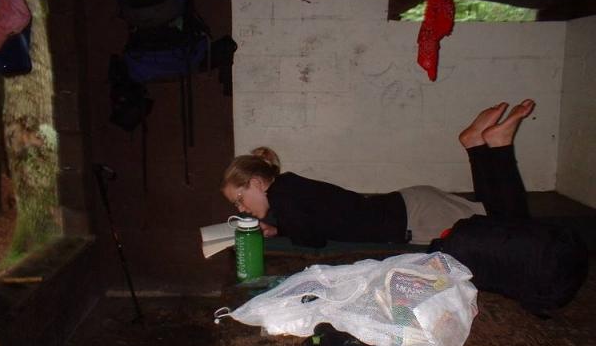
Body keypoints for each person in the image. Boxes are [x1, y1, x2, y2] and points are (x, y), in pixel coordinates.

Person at [221, 99, 536, 247]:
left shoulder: (284, 199)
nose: (241, 208)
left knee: (507, 227)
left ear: (257, 182)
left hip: (416, 218)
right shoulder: (287, 187)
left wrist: (273, 227)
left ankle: (498, 147)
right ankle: (477, 145)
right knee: (489, 216)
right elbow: (309, 225)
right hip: (411, 207)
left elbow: (310, 240)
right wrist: (277, 228)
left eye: (240, 198)